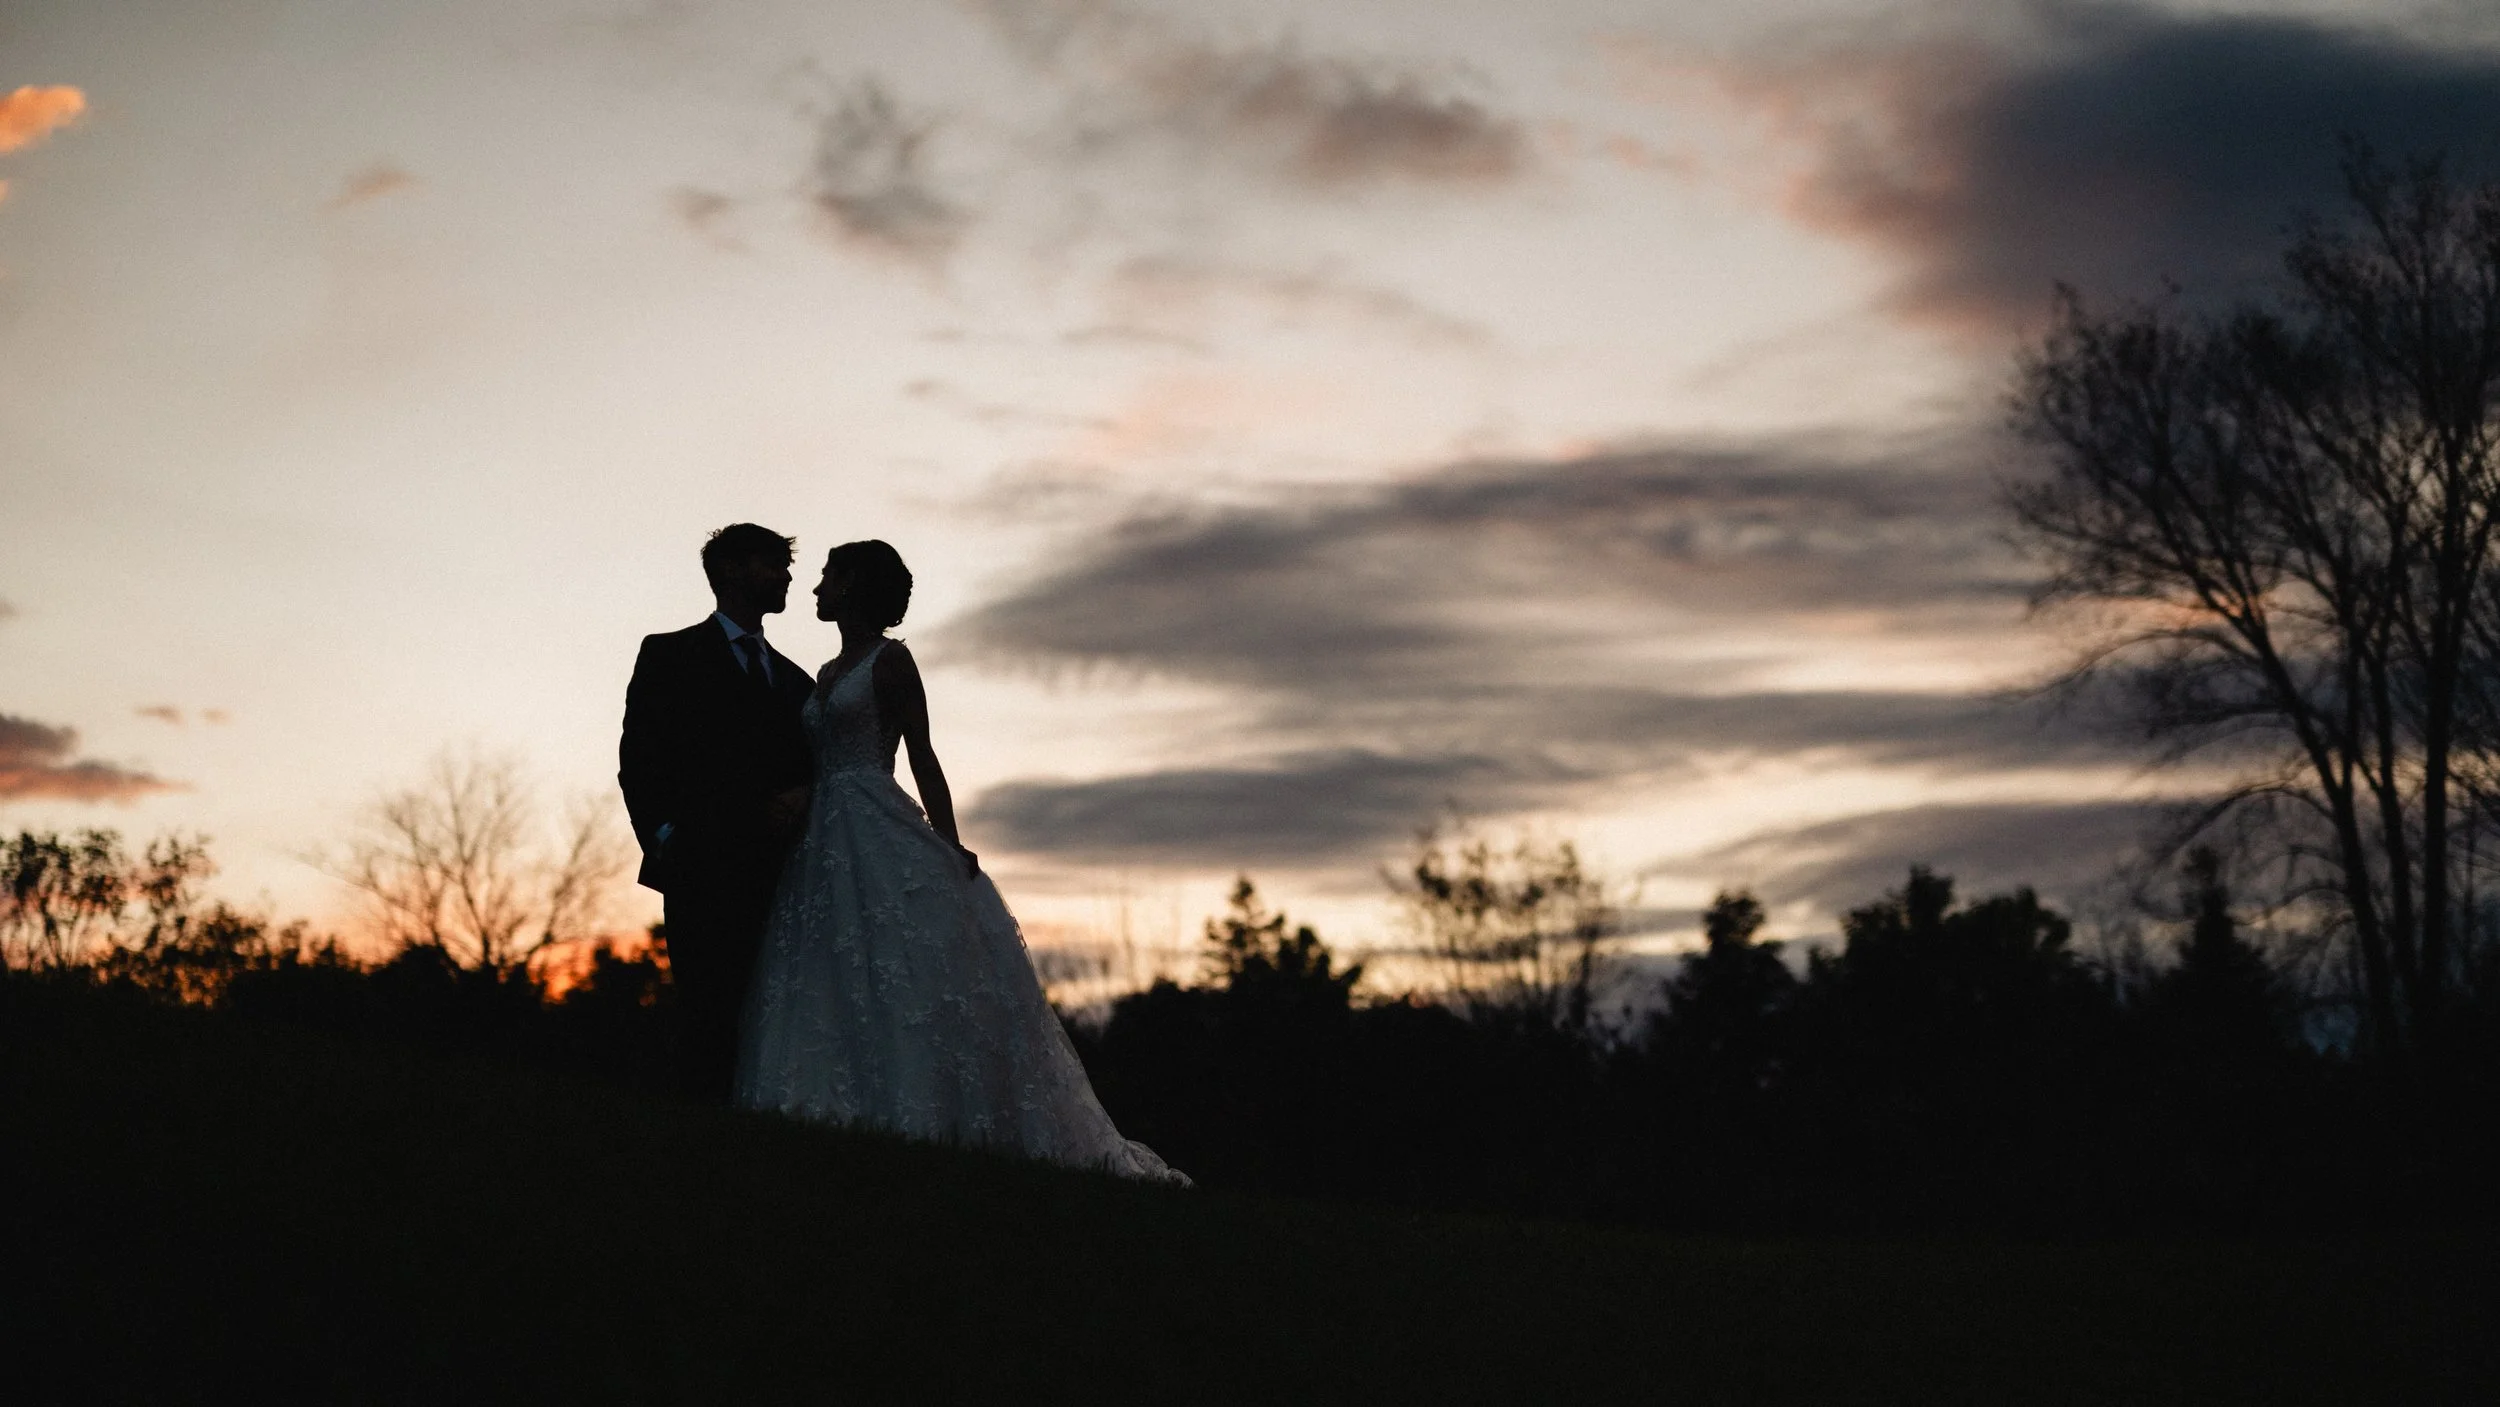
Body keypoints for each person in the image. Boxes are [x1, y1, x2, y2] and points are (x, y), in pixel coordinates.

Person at [737, 538, 1187, 1185]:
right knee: (830, 965)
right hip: (823, 840)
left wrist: (947, 844)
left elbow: (922, 753)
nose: (816, 588)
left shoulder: (890, 663)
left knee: (894, 963)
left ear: (856, 585)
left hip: (875, 817)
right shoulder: (826, 672)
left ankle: (920, 1112)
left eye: (830, 575)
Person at [618, 523, 815, 1103]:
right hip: (700, 863)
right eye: (773, 565)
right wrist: (665, 837)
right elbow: (640, 757)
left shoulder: (798, 681)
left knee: (770, 1013)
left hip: (781, 875)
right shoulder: (669, 653)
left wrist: (803, 796)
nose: (785, 578)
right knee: (706, 1012)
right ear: (730, 570)